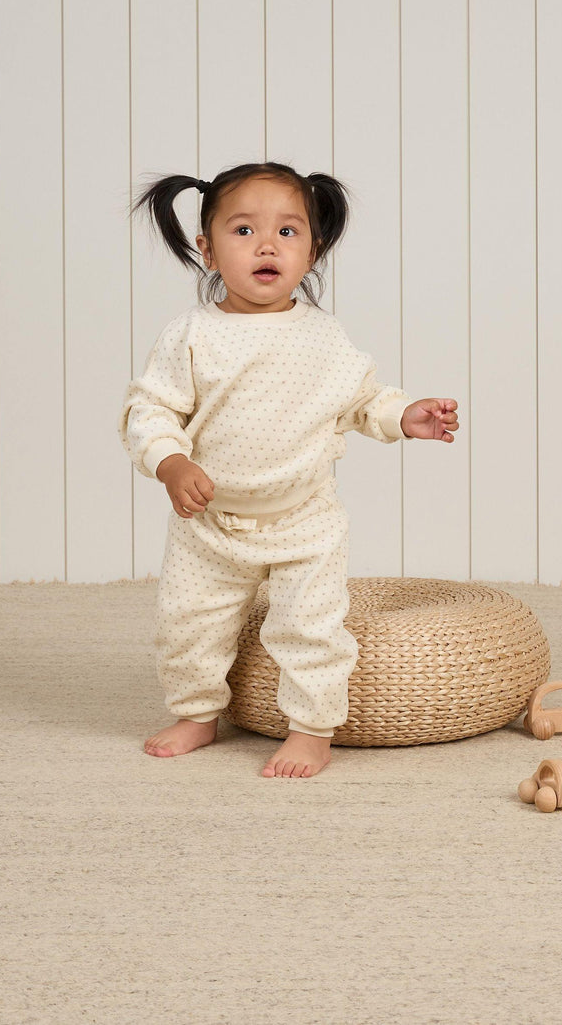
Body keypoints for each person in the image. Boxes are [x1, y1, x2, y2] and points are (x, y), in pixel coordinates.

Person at [118, 162, 459, 778]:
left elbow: (361, 399)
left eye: (287, 231)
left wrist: (405, 415)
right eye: (244, 230)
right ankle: (197, 713)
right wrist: (170, 462)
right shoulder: (191, 334)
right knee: (188, 626)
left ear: (313, 250)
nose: (267, 246)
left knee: (311, 629)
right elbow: (151, 409)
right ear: (207, 250)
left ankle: (311, 729)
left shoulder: (323, 336)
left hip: (305, 521)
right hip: (210, 522)